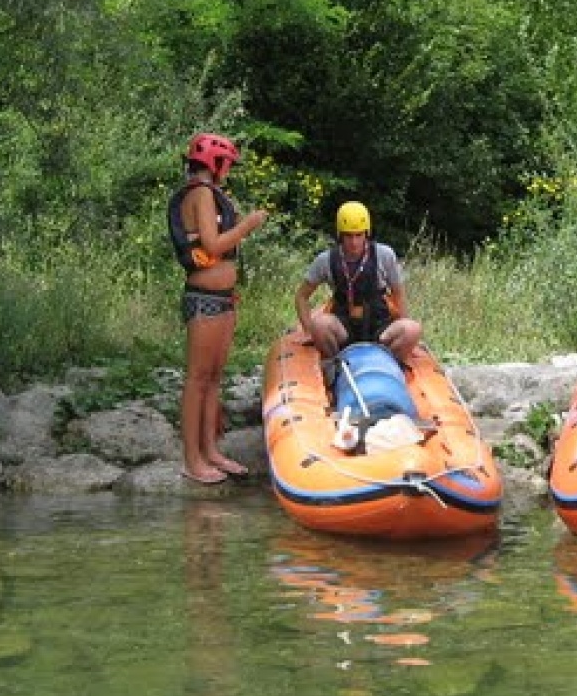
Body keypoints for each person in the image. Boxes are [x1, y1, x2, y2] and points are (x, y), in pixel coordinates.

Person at [168, 131, 268, 484]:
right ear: (214, 163)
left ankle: (211, 451)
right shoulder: (199, 194)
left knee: (213, 379)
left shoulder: (210, 194)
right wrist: (248, 225)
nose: (229, 170)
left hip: (223, 299)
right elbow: (211, 245)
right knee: (198, 379)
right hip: (204, 300)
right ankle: (192, 460)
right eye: (227, 164)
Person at [295, 201, 422, 365]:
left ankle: (389, 367)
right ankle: (334, 366)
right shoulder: (325, 260)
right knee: (319, 324)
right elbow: (301, 297)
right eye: (348, 235)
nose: (354, 242)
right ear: (340, 235)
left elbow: (398, 293)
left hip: (379, 325)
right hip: (343, 326)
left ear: (366, 233)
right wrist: (308, 330)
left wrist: (409, 337)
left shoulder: (385, 255)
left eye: (358, 235)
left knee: (413, 329)